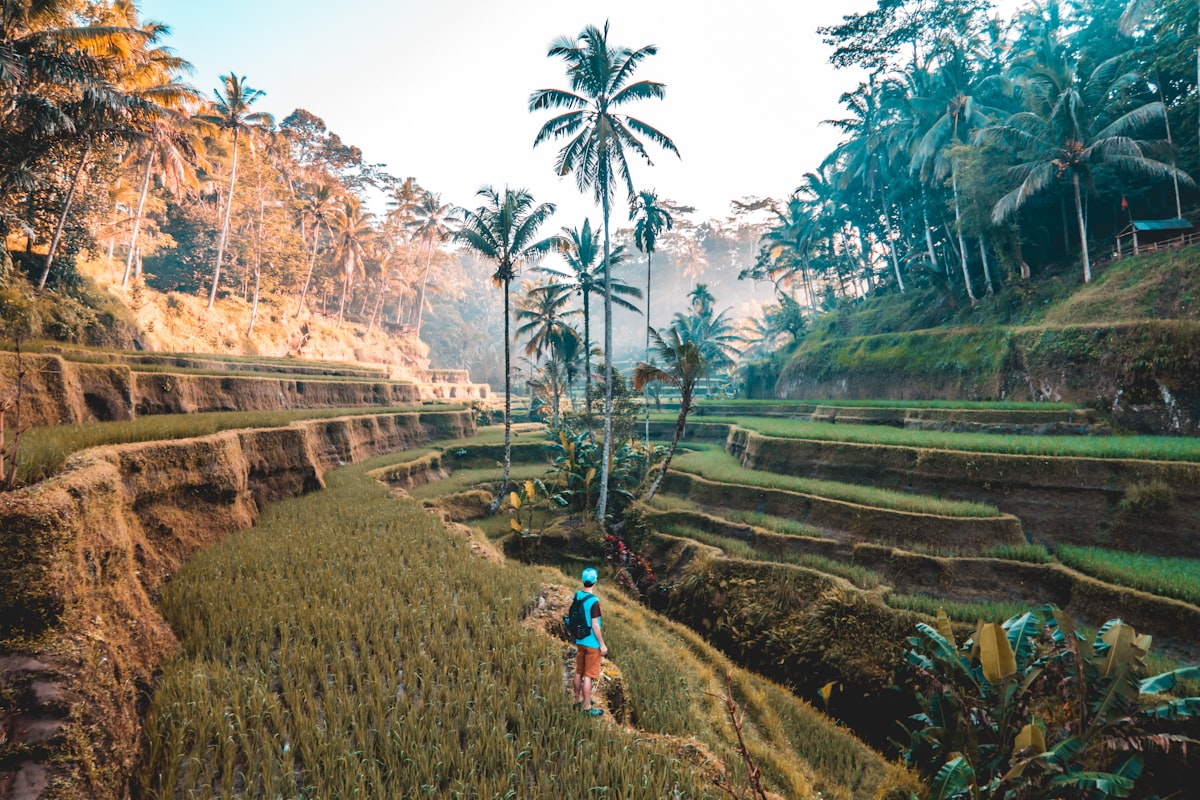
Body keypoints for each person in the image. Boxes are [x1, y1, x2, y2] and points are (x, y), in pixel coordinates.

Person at [572, 567, 607, 717]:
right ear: (595, 581)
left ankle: (577, 700)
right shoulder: (594, 601)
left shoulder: (578, 595)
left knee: (579, 671)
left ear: (582, 580)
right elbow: (595, 625)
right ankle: (587, 708)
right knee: (588, 676)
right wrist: (602, 644)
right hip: (592, 643)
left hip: (580, 639)